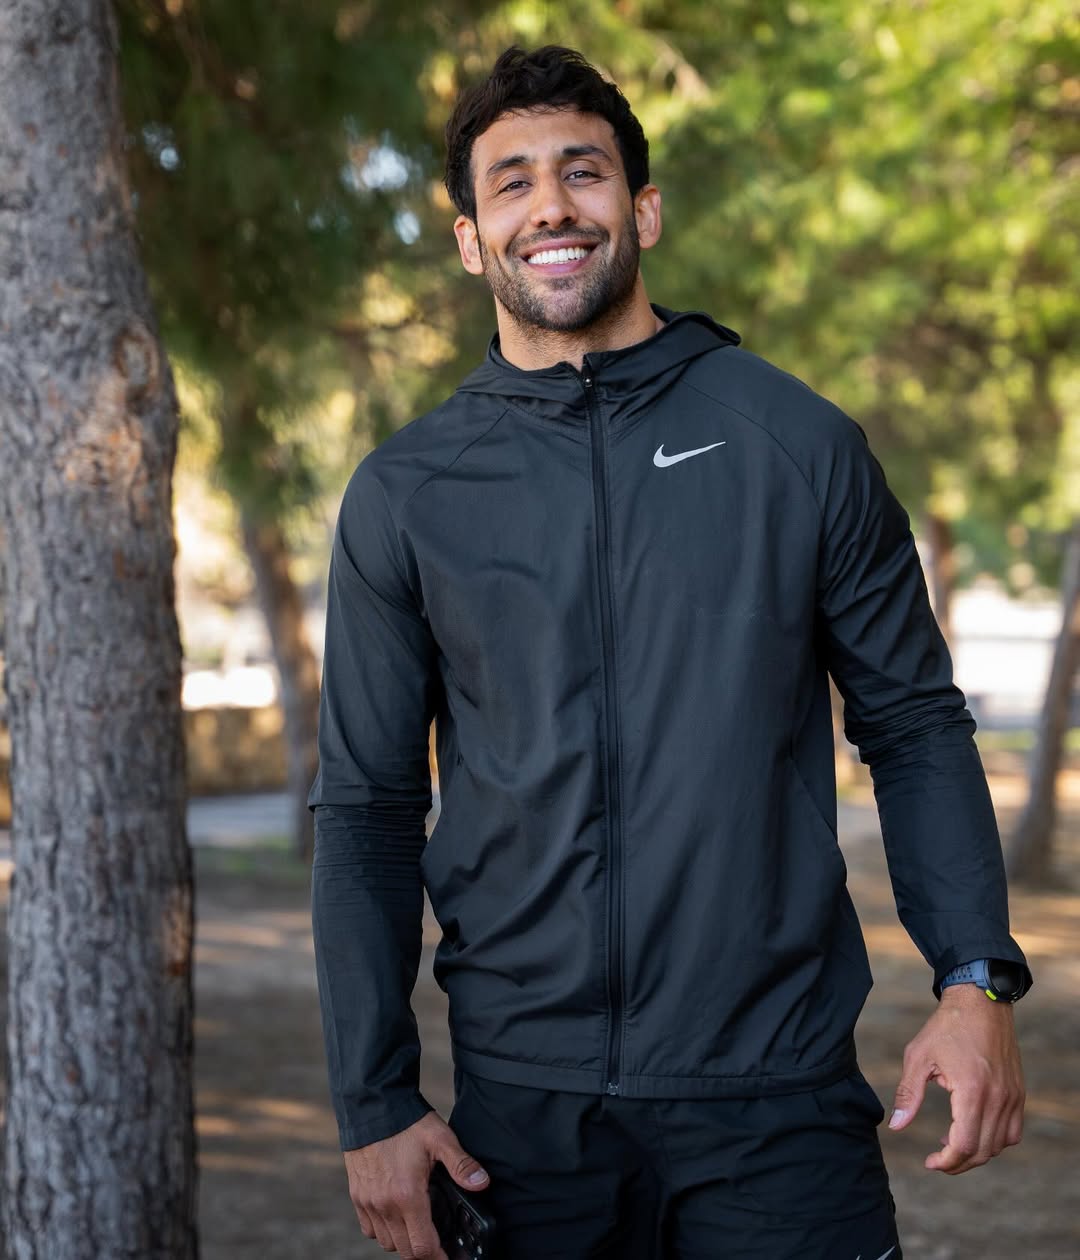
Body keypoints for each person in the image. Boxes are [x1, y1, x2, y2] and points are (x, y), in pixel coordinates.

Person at [309, 45, 1031, 1260]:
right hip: (524, 1123)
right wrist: (372, 1100)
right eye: (512, 184)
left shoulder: (797, 443)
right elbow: (368, 810)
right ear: (472, 241)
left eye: (583, 173)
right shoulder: (406, 494)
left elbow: (913, 728)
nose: (551, 206)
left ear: (641, 211)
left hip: (779, 1105)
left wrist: (975, 979)